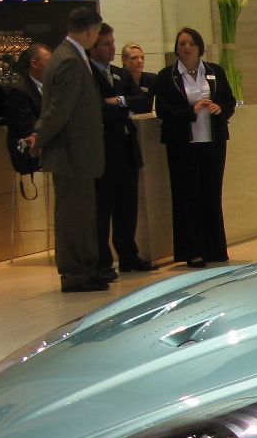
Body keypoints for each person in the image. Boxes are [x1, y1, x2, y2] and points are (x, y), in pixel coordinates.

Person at [33, 7, 108, 293]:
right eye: (97, 32)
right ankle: (75, 272)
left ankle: (86, 268)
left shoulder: (70, 56)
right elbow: (59, 111)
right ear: (89, 31)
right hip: (71, 153)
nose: (97, 37)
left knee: (83, 214)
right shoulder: (68, 60)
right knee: (73, 216)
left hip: (79, 154)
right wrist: (39, 138)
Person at [155, 27, 237, 268]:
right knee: (187, 196)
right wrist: (190, 110)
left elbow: (229, 101)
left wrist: (220, 109)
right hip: (183, 145)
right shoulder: (167, 76)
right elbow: (163, 110)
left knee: (211, 194)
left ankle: (215, 248)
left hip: (212, 142)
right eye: (182, 43)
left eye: (191, 43)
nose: (186, 47)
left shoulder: (214, 72)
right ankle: (193, 251)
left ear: (200, 47)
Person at [89, 23, 156, 278]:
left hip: (128, 148)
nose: (111, 48)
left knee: (127, 206)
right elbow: (98, 109)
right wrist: (123, 107)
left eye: (112, 43)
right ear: (93, 46)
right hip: (105, 150)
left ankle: (128, 255)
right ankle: (103, 261)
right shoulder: (87, 75)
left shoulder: (120, 74)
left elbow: (144, 101)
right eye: (106, 44)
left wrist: (119, 100)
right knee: (103, 209)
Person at [3, 42, 49, 176]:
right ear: (34, 64)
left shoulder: (52, 87)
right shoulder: (20, 91)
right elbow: (28, 130)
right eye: (48, 62)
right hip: (29, 154)